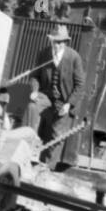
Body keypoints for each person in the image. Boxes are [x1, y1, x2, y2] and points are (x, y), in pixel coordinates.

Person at [34, 22, 84, 154]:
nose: (57, 45)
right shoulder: (44, 54)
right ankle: (28, 151)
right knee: (32, 107)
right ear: (51, 40)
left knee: (55, 137)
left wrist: (68, 104)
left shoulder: (74, 57)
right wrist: (34, 91)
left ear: (66, 42)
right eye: (55, 42)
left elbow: (80, 85)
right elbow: (35, 76)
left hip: (64, 101)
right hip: (45, 96)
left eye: (61, 42)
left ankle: (47, 167)